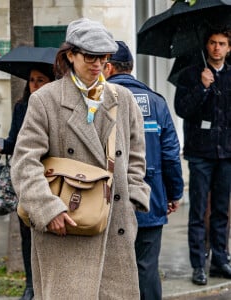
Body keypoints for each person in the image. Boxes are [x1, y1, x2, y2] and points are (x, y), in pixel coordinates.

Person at [10, 18, 150, 299]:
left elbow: (136, 156)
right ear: (70, 55)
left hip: (114, 225)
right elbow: (25, 161)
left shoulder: (123, 99)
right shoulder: (45, 100)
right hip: (65, 226)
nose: (98, 63)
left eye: (103, 57)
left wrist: (133, 198)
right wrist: (48, 209)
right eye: (89, 56)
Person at [103, 41, 184, 300]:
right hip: (149, 197)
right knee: (147, 268)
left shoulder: (100, 101)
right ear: (131, 67)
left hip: (107, 199)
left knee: (110, 270)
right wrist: (174, 193)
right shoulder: (157, 102)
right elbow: (171, 154)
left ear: (108, 67)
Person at [0, 64, 55, 300]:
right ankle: (31, 285)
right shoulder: (21, 107)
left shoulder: (57, 107)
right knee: (28, 233)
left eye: (41, 80)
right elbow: (14, 141)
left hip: (52, 178)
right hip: (27, 180)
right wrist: (1, 146)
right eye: (32, 80)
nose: (34, 84)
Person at [174, 27, 231, 286]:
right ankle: (199, 264)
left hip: (227, 153)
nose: (217, 48)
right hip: (200, 153)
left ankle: (220, 259)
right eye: (212, 43)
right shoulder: (191, 74)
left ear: (229, 48)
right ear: (206, 45)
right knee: (198, 211)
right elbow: (182, 109)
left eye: (222, 43)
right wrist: (202, 87)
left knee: (221, 210)